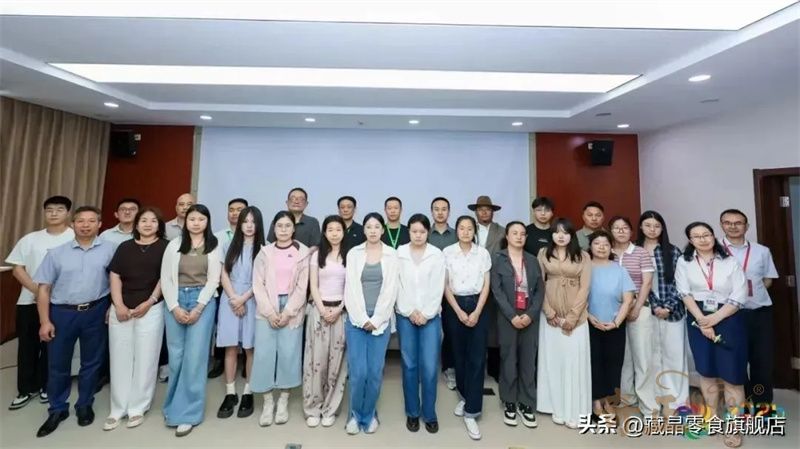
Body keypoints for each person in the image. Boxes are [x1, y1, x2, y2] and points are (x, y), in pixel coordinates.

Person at [33, 206, 116, 438]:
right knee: (58, 364)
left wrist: (112, 306)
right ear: (73, 224)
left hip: (96, 311)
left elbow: (117, 281)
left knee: (92, 362)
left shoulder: (110, 249)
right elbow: (43, 289)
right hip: (62, 313)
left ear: (100, 224)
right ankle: (57, 409)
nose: (86, 225)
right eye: (81, 221)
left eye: (91, 221)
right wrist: (44, 321)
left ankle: (85, 404)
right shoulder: (56, 253)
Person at [676, 222, 748, 448]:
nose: (703, 239)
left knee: (732, 374)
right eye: (696, 236)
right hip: (697, 317)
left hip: (729, 317)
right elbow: (684, 293)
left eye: (706, 234)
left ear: (713, 235)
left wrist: (714, 319)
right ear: (690, 240)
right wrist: (702, 320)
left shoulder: (729, 261)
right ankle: (713, 418)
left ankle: (734, 426)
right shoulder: (684, 262)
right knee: (706, 371)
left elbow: (740, 293)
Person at [6, 196, 74, 411]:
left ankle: (46, 384)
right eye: (49, 210)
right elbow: (17, 268)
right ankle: (26, 389)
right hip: (28, 300)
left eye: (59, 209)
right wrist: (38, 291)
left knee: (52, 346)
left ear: (68, 213)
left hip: (61, 302)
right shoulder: (30, 239)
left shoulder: (75, 237)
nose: (54, 213)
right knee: (27, 345)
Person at [104, 207, 169, 430]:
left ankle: (138, 407)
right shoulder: (124, 247)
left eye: (153, 221)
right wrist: (118, 304)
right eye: (143, 220)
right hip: (121, 309)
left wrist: (150, 301)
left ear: (159, 225)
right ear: (137, 224)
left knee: (146, 358)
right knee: (119, 357)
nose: (148, 224)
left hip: (151, 308)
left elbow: (165, 277)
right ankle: (117, 408)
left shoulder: (166, 247)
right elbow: (115, 275)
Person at [160, 204, 223, 437]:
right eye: (192, 219)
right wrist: (174, 307)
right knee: (176, 357)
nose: (196, 223)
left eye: (201, 219)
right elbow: (166, 278)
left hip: (202, 300)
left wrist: (199, 307)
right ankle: (172, 407)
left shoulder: (214, 245)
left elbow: (214, 279)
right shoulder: (174, 244)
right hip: (175, 300)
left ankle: (188, 414)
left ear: (207, 222)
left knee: (195, 358)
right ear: (185, 222)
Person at [252, 211, 311, 427]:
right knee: (264, 354)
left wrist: (287, 312)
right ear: (274, 228)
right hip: (266, 306)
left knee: (289, 353)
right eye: (279, 226)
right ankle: (268, 402)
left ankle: (284, 400)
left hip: (292, 308)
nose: (284, 230)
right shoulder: (264, 252)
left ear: (293, 228)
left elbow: (302, 287)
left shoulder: (303, 253)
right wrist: (270, 312)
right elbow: (257, 284)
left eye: (287, 225)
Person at [343, 213, 399, 435]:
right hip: (356, 319)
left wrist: (376, 319)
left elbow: (391, 290)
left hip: (380, 320)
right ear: (364, 230)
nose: (373, 230)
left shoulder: (392, 254)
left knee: (375, 372)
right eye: (369, 227)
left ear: (383, 230)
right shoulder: (354, 253)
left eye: (377, 226)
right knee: (358, 373)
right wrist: (362, 318)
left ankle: (369, 415)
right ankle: (354, 415)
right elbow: (350, 288)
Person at [536, 218, 592, 429]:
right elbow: (539, 284)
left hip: (576, 320)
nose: (561, 236)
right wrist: (549, 312)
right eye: (557, 232)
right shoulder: (543, 253)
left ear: (571, 235)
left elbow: (585, 288)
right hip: (550, 318)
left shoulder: (583, 256)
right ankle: (555, 407)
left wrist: (572, 317)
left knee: (573, 363)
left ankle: (574, 410)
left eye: (565, 232)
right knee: (553, 362)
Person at [719, 209, 778, 405]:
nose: (733, 226)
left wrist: (748, 293)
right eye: (728, 223)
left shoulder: (762, 251)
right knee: (735, 361)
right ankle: (741, 405)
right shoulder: (713, 250)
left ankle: (762, 406)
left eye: (738, 223)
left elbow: (768, 279)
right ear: (721, 225)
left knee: (762, 361)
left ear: (746, 226)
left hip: (758, 312)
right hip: (728, 315)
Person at [442, 215, 492, 440]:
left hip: (478, 304)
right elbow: (445, 285)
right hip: (454, 305)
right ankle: (465, 396)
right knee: (459, 355)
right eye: (461, 228)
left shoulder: (482, 253)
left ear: (475, 231)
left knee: (477, 357)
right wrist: (459, 311)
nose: (465, 232)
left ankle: (472, 410)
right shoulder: (447, 252)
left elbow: (486, 284)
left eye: (469, 228)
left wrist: (477, 312)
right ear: (457, 231)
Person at [396, 214, 446, 434]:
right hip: (405, 315)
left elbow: (438, 287)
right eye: (414, 231)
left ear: (428, 232)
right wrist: (410, 311)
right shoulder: (399, 253)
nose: (418, 235)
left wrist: (426, 313)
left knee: (429, 366)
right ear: (408, 232)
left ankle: (429, 414)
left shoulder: (436, 254)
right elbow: (397, 285)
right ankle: (412, 413)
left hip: (430, 317)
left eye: (422, 232)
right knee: (409, 365)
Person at [491, 221, 544, 429]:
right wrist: (512, 315)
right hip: (507, 317)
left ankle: (526, 402)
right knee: (509, 359)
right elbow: (497, 291)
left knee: (528, 360)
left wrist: (530, 315)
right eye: (515, 233)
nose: (519, 237)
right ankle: (509, 401)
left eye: (522, 234)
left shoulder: (532, 260)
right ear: (507, 236)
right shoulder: (498, 259)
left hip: (529, 317)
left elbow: (540, 290)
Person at [636, 210, 689, 414]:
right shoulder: (635, 251)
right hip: (646, 310)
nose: (652, 229)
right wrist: (655, 305)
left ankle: (678, 402)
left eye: (656, 226)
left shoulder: (672, 251)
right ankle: (655, 399)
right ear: (640, 227)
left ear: (662, 228)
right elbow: (637, 283)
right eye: (648, 225)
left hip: (672, 311)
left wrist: (668, 306)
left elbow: (680, 281)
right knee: (650, 357)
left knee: (674, 355)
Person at [215, 206, 264, 420]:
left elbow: (261, 280)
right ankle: (230, 392)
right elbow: (223, 274)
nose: (249, 225)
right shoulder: (228, 245)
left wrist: (243, 298)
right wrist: (234, 298)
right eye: (245, 221)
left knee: (250, 347)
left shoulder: (264, 249)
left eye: (253, 221)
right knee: (231, 347)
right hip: (230, 298)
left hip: (253, 299)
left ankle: (248, 392)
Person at [303, 215, 350, 428]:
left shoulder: (350, 255)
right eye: (330, 229)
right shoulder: (317, 255)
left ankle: (330, 408)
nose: (334, 233)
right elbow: (313, 285)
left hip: (341, 312)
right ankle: (313, 407)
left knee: (336, 363)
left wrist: (339, 310)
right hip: (319, 312)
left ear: (343, 232)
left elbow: (350, 287)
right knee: (316, 361)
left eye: (338, 229)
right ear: (324, 232)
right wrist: (323, 310)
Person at [610, 216, 657, 417]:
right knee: (623, 356)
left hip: (639, 307)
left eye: (625, 228)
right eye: (616, 228)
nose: (621, 231)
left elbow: (647, 282)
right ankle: (627, 397)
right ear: (611, 231)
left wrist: (637, 307)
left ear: (631, 231)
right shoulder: (607, 252)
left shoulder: (640, 252)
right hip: (614, 310)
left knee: (642, 357)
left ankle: (649, 406)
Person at [586, 230, 634, 420]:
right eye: (597, 243)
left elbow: (628, 299)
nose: (601, 247)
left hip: (615, 324)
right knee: (594, 362)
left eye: (605, 244)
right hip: (589, 323)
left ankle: (607, 399)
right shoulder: (585, 268)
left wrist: (616, 322)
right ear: (590, 246)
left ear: (611, 247)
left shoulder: (620, 270)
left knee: (613, 362)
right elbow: (577, 297)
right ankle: (596, 400)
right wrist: (589, 317)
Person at [209, 197, 249, 380]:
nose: (235, 213)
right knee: (223, 328)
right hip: (223, 290)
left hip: (247, 292)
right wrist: (232, 295)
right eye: (231, 209)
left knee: (247, 332)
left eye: (239, 210)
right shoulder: (217, 237)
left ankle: (246, 364)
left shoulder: (256, 239)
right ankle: (219, 362)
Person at [467, 195, 503, 383]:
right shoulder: (468, 230)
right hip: (471, 285)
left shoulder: (502, 232)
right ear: (476, 212)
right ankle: (473, 367)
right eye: (480, 209)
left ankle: (494, 368)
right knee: (473, 325)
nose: (484, 212)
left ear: (492, 212)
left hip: (495, 282)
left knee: (494, 327)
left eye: (487, 209)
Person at [428, 197, 458, 390]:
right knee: (428, 329)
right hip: (428, 290)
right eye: (436, 209)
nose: (440, 212)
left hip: (451, 290)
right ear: (431, 211)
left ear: (449, 211)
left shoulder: (456, 235)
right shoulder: (425, 233)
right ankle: (426, 368)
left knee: (450, 330)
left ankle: (449, 367)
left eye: (444, 209)